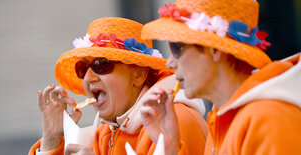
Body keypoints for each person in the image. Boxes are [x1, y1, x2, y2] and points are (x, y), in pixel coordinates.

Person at [140, 0, 301, 154]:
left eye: (176, 47)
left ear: (215, 50)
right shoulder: (223, 116)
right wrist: (171, 149)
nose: (169, 63)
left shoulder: (270, 119)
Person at [28, 17, 208, 155]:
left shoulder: (173, 120)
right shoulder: (107, 131)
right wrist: (52, 138)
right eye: (83, 68)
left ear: (139, 74)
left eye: (101, 64)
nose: (89, 77)